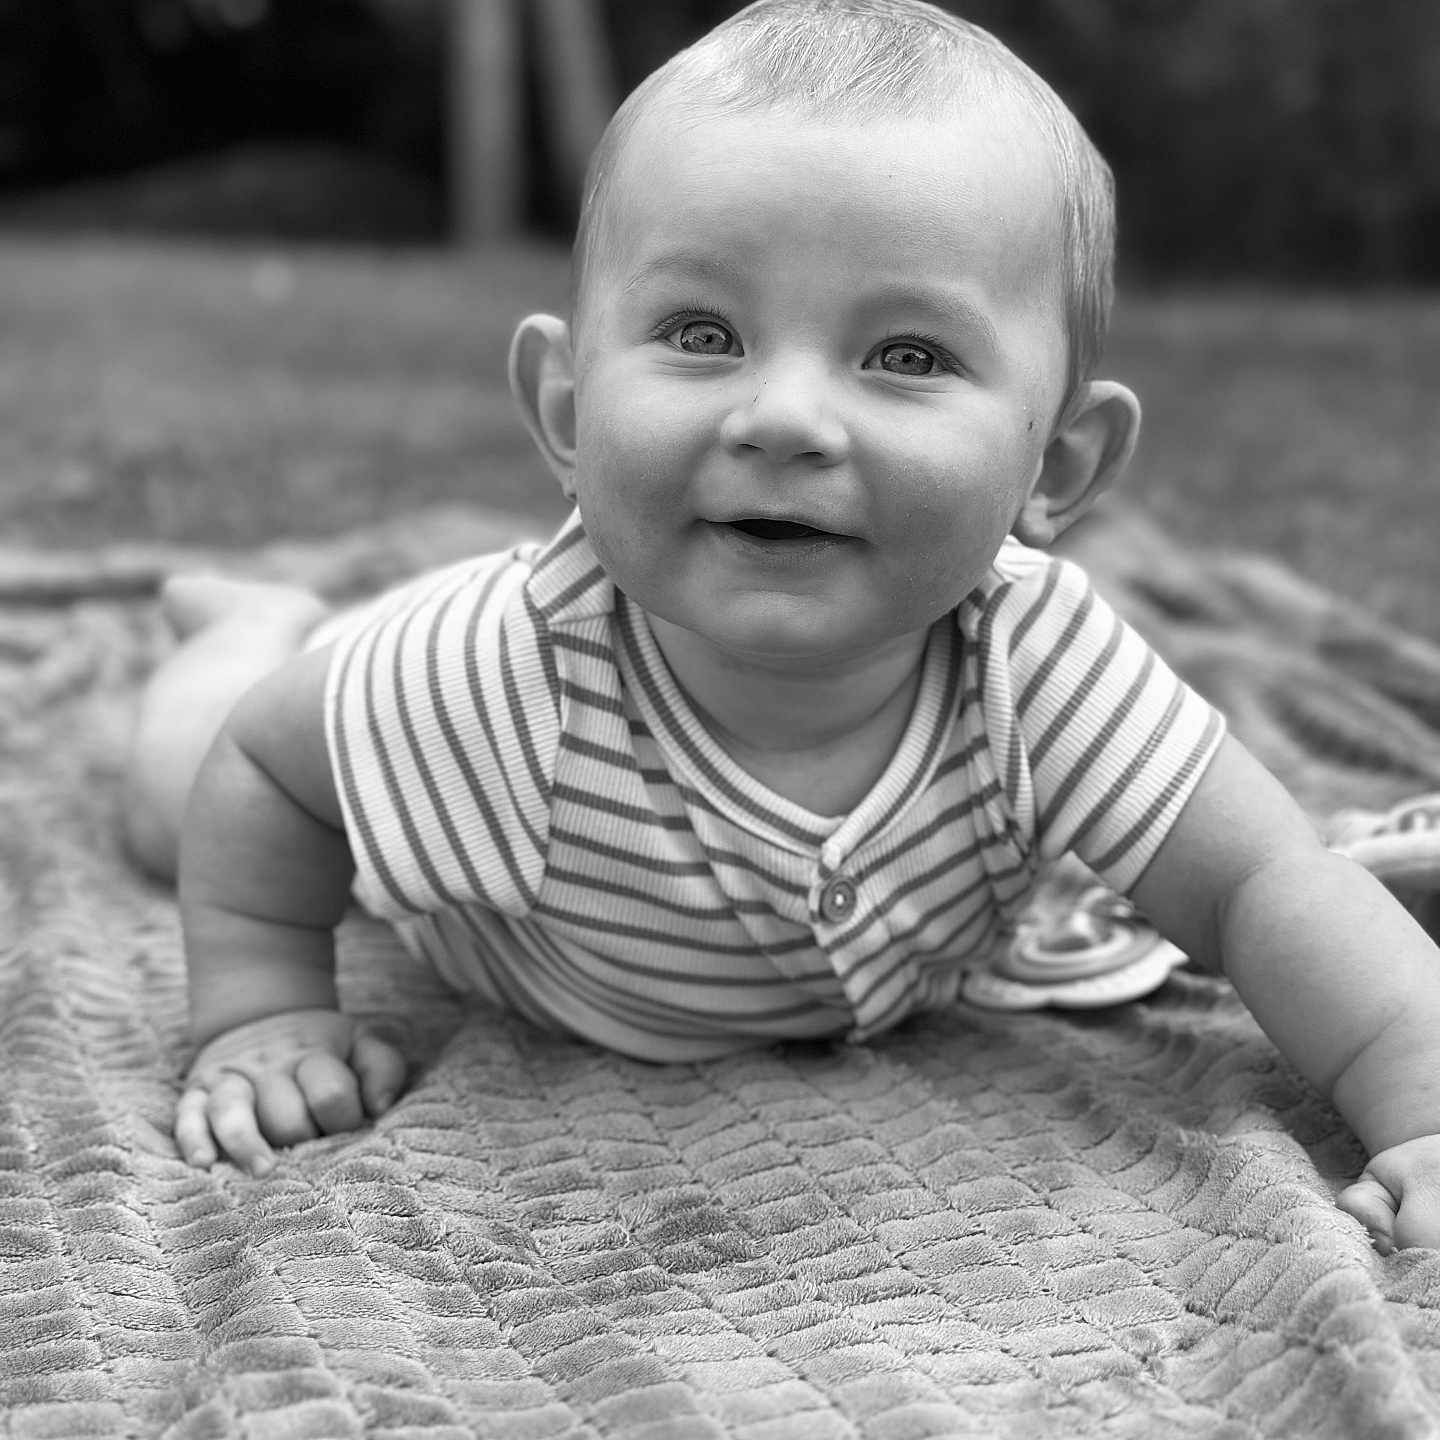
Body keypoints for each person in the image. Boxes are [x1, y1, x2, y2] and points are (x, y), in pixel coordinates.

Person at [122, 0, 1440, 1251]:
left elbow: (1268, 882)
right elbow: (269, 771)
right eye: (704, 333)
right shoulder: (498, 680)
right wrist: (264, 1011)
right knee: (180, 798)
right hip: (469, 864)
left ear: (1060, 467)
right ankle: (243, 628)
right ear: (570, 416)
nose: (786, 418)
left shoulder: (1039, 661)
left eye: (908, 357)